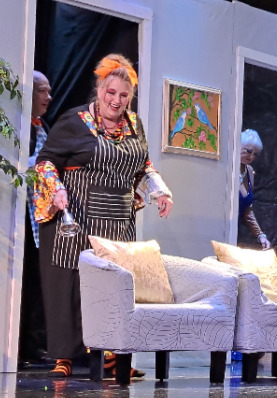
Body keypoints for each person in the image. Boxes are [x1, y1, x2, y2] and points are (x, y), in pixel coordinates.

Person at [32, 54, 174, 378]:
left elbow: (144, 164)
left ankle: (113, 356)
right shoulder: (75, 120)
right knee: (70, 285)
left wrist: (161, 191)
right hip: (77, 217)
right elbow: (45, 161)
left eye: (124, 95)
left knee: (114, 287)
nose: (116, 100)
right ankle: (65, 358)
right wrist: (55, 188)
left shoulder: (134, 124)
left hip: (118, 221)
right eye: (111, 92)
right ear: (99, 89)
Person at [18, 71, 52, 363]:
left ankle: (35, 344)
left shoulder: (43, 128)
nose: (48, 97)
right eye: (43, 91)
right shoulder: (18, 129)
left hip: (42, 216)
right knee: (24, 282)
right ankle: (19, 346)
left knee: (39, 284)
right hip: (20, 217)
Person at [237, 129, 271, 250]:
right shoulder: (228, 169)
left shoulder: (249, 172)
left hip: (236, 233)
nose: (251, 156)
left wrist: (260, 235)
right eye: (249, 151)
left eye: (255, 154)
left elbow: (247, 211)